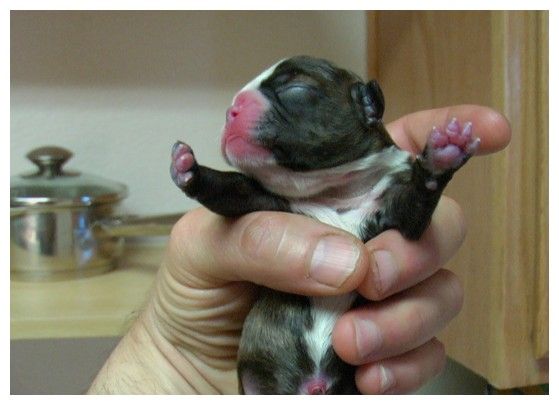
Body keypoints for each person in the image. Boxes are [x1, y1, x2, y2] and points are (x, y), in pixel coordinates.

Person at [88, 105, 511, 394]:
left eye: (294, 96)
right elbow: (239, 196)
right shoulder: (282, 195)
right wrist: (201, 181)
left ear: (363, 108)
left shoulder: (385, 185)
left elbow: (411, 216)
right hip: (264, 368)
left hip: (346, 379)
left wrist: (429, 175)